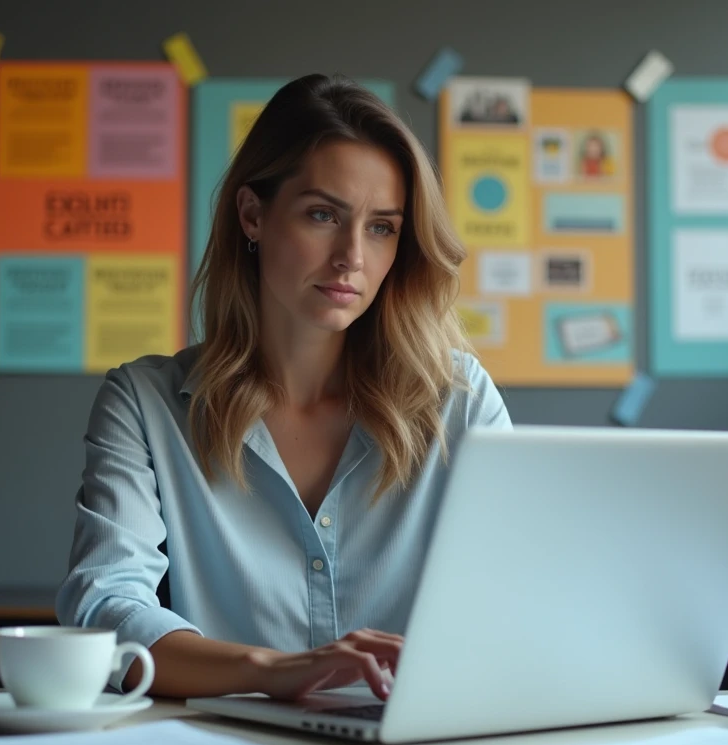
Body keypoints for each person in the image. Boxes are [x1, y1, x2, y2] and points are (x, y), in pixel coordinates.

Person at [56, 73, 511, 704]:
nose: (352, 255)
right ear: (253, 214)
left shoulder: (459, 401)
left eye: (381, 227)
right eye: (323, 215)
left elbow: (518, 599)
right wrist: (274, 671)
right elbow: (104, 605)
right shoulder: (145, 404)